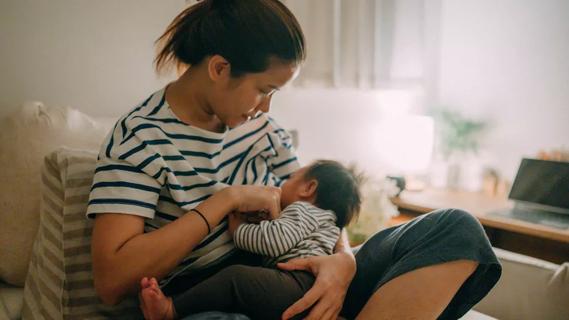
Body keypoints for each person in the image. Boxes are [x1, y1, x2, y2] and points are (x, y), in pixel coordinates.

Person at [87, 1, 502, 319]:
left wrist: (339, 263)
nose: (266, 108)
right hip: (215, 294)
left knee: (457, 228)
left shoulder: (265, 132)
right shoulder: (140, 138)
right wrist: (226, 201)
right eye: (263, 89)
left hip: (298, 271)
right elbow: (111, 280)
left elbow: (322, 212)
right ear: (219, 68)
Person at [138, 160, 362, 320]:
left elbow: (275, 242)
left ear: (309, 188)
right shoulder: (327, 221)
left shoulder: (302, 210)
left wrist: (238, 229)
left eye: (290, 178)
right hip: (303, 286)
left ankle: (170, 309)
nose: (283, 182)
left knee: (235, 278)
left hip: (297, 283)